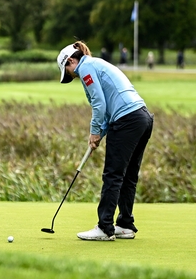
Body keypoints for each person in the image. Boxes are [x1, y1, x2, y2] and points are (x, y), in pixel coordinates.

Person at [56, 41, 154, 241]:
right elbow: (109, 110)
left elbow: (99, 104)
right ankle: (125, 225)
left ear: (71, 61)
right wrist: (100, 134)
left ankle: (105, 227)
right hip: (142, 117)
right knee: (127, 176)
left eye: (68, 72)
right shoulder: (96, 64)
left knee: (113, 175)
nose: (72, 76)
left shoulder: (85, 68)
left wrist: (93, 132)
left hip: (127, 119)